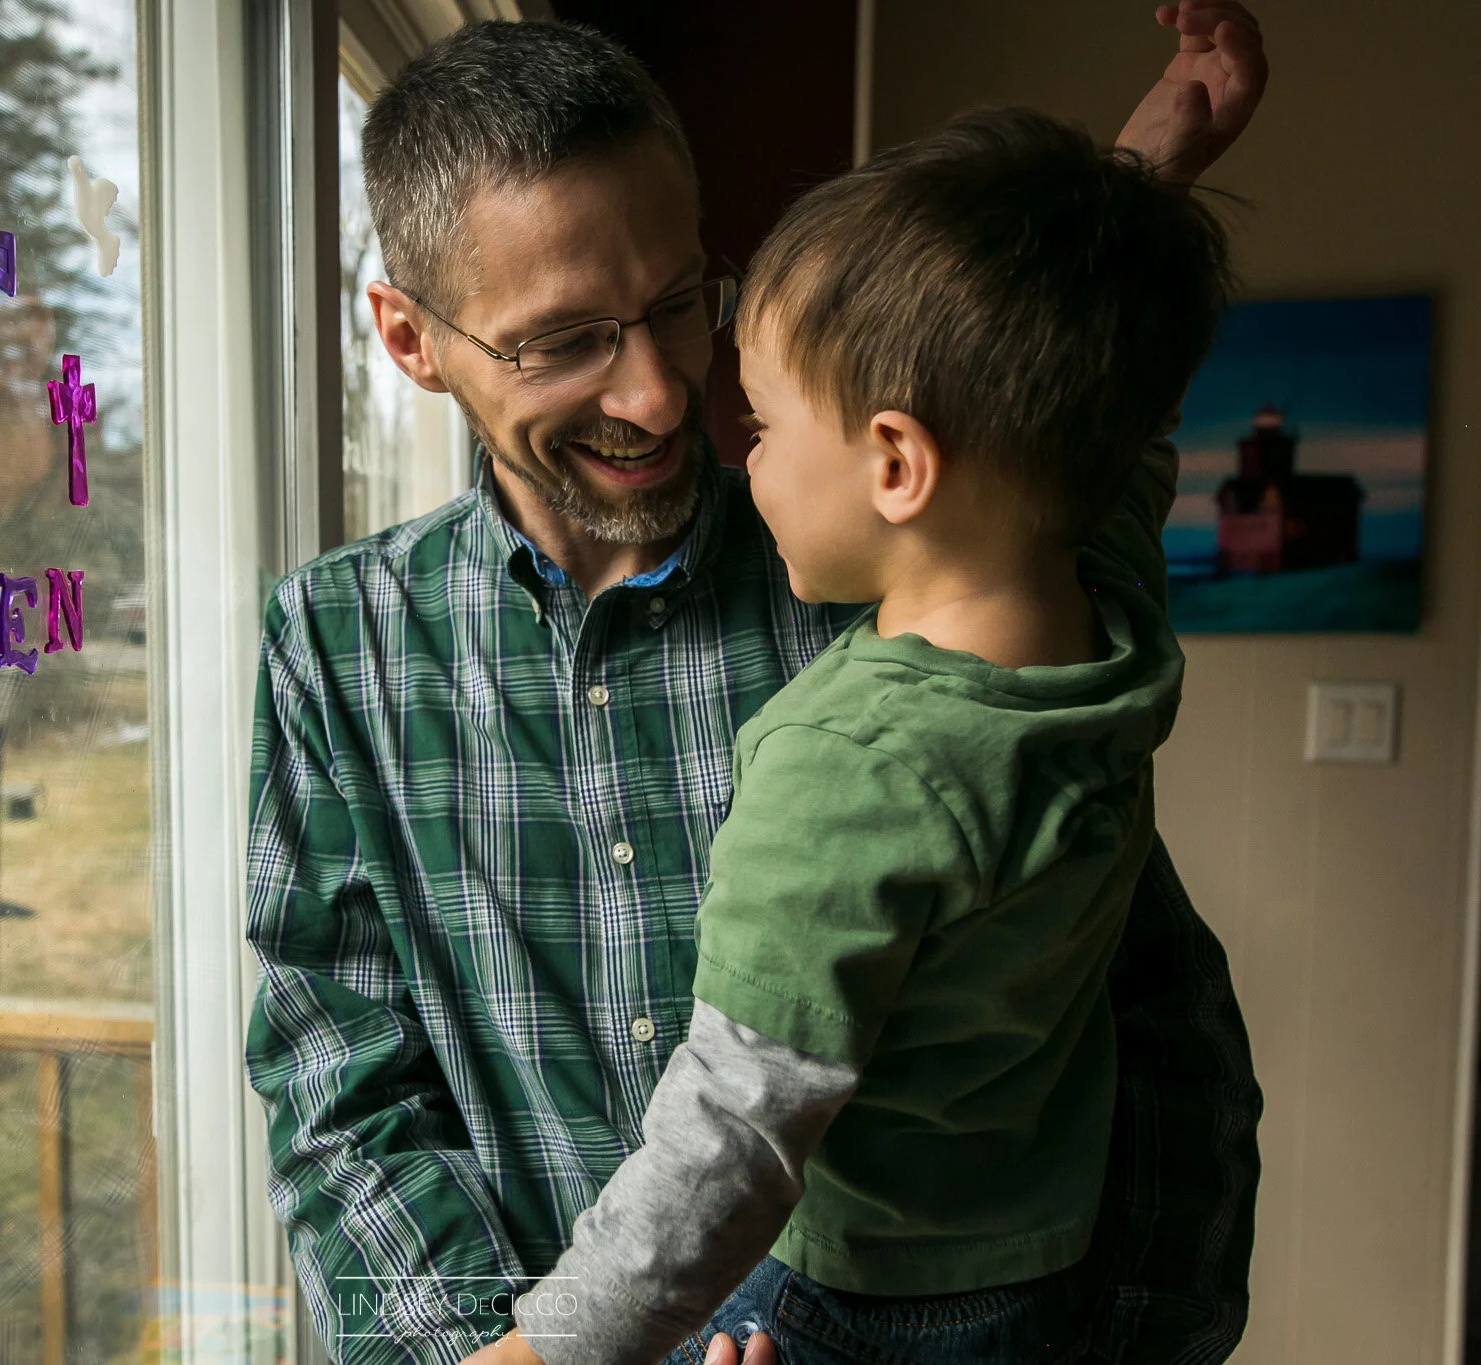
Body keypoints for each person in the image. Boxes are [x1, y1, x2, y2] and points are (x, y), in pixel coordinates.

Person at [245, 7, 1268, 1363]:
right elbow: (338, 1081)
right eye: (567, 339)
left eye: (683, 300)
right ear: (409, 335)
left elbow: (1153, 1019)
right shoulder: (330, 643)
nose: (669, 393)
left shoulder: (915, 603)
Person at [475, 102, 1230, 1365]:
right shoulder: (1100, 602)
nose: (735, 454)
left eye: (763, 425)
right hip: (1035, 1267)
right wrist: (1143, 179)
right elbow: (1105, 422)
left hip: (853, 1301)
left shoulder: (853, 768)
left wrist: (540, 1353)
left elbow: (733, 1130)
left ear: (894, 464)